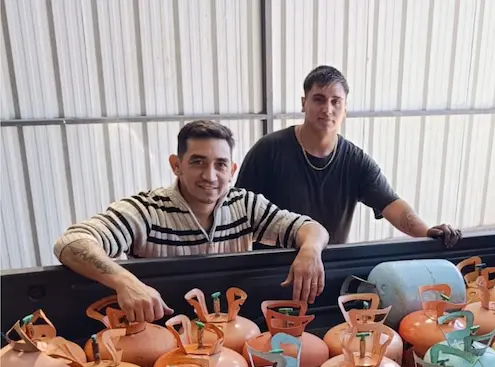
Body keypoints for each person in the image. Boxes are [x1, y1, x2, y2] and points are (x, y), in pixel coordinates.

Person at [54, 120, 329, 322]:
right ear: (176, 165)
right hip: (163, 338)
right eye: (198, 162)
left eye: (220, 164)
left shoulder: (245, 205)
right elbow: (72, 242)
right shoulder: (146, 211)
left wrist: (310, 250)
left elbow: (310, 228)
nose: (210, 176)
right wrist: (125, 282)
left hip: (231, 333)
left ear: (232, 170)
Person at [236, 65, 462, 247]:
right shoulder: (268, 151)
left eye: (336, 101)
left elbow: (392, 205)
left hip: (329, 270)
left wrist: (426, 232)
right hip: (272, 271)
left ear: (345, 109)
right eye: (319, 99)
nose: (327, 109)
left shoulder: (356, 162)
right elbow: (239, 212)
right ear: (304, 103)